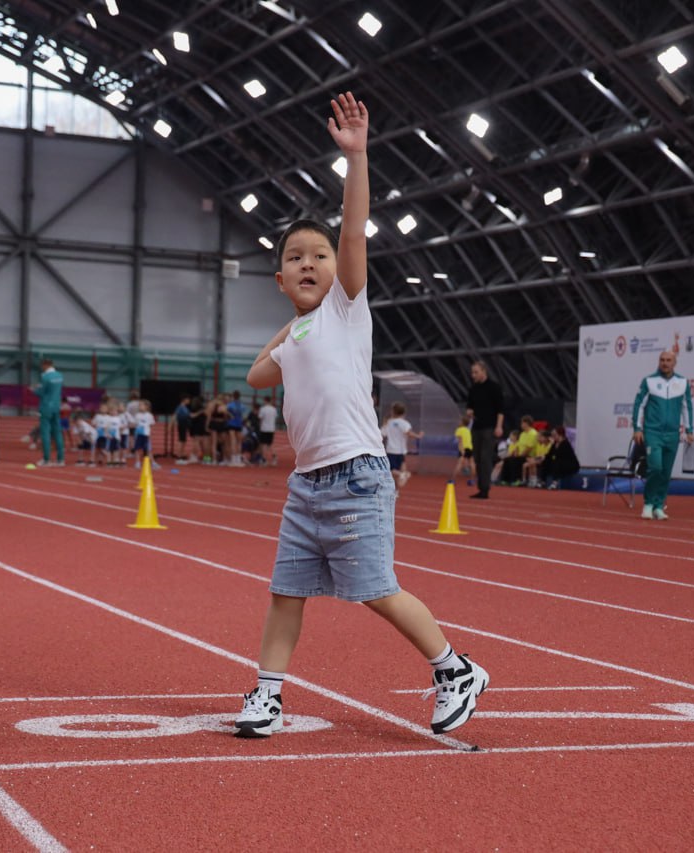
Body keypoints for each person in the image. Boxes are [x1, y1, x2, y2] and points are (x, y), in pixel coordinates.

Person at [234, 93, 487, 739]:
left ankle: (455, 668)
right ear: (280, 277)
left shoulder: (346, 309)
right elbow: (254, 374)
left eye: (318, 255)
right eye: (296, 258)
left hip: (355, 476)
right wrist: (289, 323)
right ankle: (266, 694)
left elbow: (352, 228)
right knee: (285, 594)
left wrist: (357, 157)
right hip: (306, 486)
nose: (311, 262)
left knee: (375, 589)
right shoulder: (294, 337)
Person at [632, 349, 694, 520]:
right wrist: (637, 429)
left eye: (668, 360)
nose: (665, 363)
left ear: (674, 363)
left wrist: (689, 430)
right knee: (656, 468)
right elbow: (639, 405)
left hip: (672, 435)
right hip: (652, 433)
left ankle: (659, 506)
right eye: (662, 360)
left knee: (666, 472)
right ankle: (648, 504)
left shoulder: (682, 383)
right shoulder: (649, 381)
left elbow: (686, 407)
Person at [467, 361, 504, 499]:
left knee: (485, 458)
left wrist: (499, 426)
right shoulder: (473, 389)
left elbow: (500, 410)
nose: (473, 375)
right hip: (476, 427)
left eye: (476, 372)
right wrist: (469, 412)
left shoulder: (494, 388)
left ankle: (485, 488)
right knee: (477, 458)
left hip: (489, 428)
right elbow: (469, 406)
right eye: (472, 372)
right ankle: (481, 487)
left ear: (483, 371)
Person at [382, 401, 423, 489]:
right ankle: (398, 485)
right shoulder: (405, 423)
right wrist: (418, 436)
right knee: (401, 467)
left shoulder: (389, 422)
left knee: (390, 470)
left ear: (393, 411)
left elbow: (383, 434)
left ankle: (402, 475)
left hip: (391, 450)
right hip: (401, 450)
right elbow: (408, 432)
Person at [34, 358, 64, 465]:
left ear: (45, 365)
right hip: (56, 405)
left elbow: (41, 392)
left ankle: (46, 459)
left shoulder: (45, 377)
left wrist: (34, 389)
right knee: (57, 432)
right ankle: (60, 459)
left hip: (46, 406)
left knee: (45, 433)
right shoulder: (60, 376)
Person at [451, 410, 475, 485]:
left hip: (463, 448)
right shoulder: (468, 429)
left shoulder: (459, 430)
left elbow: (460, 441)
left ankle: (453, 480)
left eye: (460, 421)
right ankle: (472, 480)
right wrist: (471, 417)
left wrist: (461, 450)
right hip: (470, 448)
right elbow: (471, 422)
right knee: (472, 464)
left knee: (459, 464)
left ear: (462, 422)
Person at [257, 396, 278, 466]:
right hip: (271, 428)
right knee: (270, 444)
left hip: (264, 428)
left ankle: (264, 459)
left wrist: (260, 427)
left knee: (264, 444)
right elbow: (275, 418)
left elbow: (260, 418)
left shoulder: (263, 409)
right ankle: (274, 456)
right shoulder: (274, 409)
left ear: (265, 401)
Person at [174, 395, 192, 461]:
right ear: (184, 400)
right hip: (181, 424)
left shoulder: (185, 407)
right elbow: (175, 415)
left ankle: (181, 454)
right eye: (188, 399)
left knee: (183, 440)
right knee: (181, 439)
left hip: (185, 425)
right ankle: (179, 454)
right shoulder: (180, 407)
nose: (189, 401)